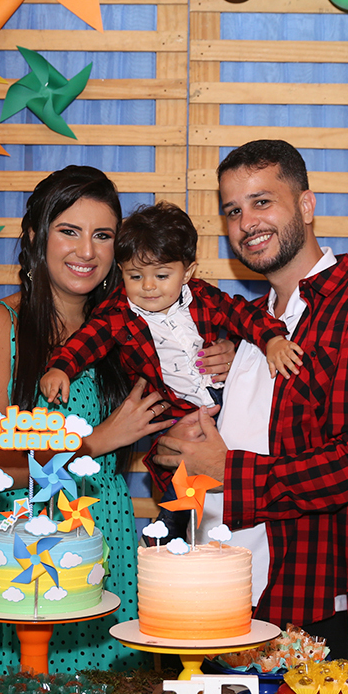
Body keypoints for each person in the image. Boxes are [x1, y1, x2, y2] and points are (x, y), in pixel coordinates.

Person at [0, 166, 234, 675]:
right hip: (18, 554)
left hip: (109, 546)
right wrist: (95, 442)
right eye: (69, 231)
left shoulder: (127, 330)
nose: (86, 251)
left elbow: (171, 417)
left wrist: (225, 359)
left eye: (102, 235)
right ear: (36, 237)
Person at [154, 140, 348, 659]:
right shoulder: (246, 328)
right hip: (211, 588)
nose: (246, 221)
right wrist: (175, 450)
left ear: (305, 205)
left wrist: (228, 472)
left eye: (262, 201)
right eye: (233, 210)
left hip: (303, 597)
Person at [39, 201, 303, 501]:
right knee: (179, 486)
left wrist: (272, 339)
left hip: (224, 401)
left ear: (187, 272)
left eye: (161, 276)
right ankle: (168, 536)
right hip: (174, 413)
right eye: (135, 276)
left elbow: (242, 314)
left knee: (237, 480)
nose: (148, 286)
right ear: (121, 271)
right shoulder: (117, 315)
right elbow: (85, 342)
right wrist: (61, 367)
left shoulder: (203, 297)